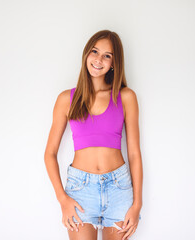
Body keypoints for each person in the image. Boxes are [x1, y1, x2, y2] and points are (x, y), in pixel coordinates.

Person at [44, 30, 143, 240]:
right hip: (80, 190)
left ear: (114, 62)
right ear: (86, 54)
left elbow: (134, 153)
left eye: (107, 55)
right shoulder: (66, 99)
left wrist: (137, 204)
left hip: (119, 188)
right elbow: (49, 153)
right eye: (95, 51)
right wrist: (62, 199)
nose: (99, 59)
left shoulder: (126, 97)